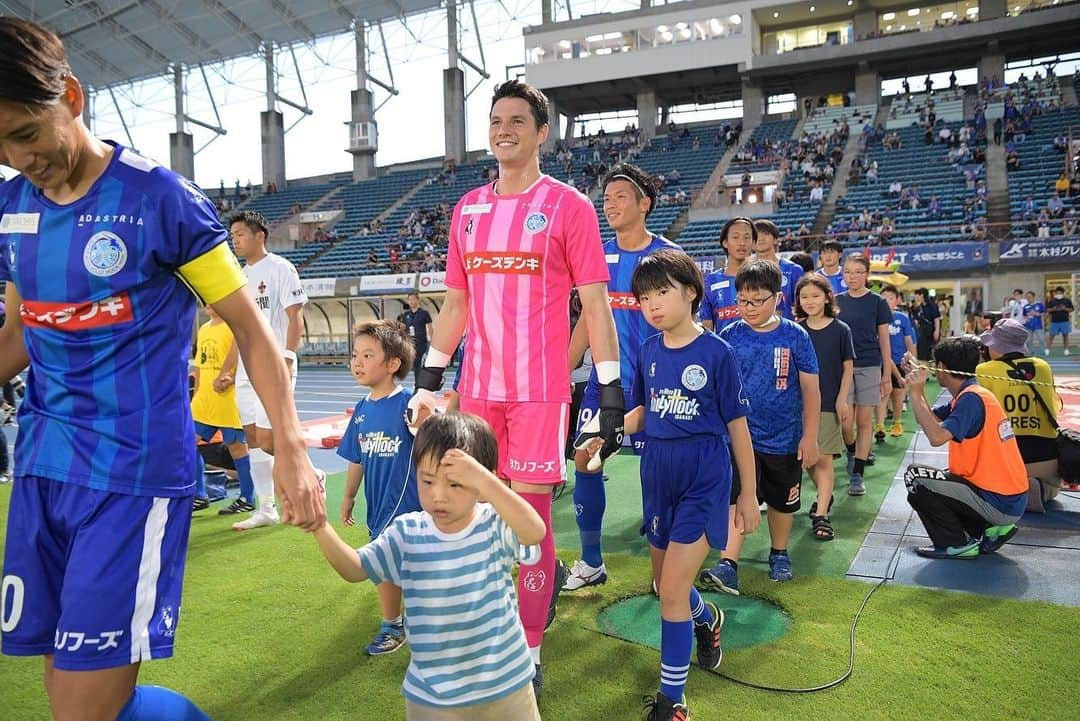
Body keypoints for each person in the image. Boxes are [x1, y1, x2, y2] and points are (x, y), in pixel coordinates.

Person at [0, 17, 324, 721]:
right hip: (42, 466)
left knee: (87, 707)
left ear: (74, 97)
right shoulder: (12, 207)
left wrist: (293, 447)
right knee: (67, 694)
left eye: (26, 132)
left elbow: (250, 328)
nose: (16, 156)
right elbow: (23, 330)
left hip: (131, 474)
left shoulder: (159, 199)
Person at [408, 79, 623, 695]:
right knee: (470, 511)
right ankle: (482, 625)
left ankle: (530, 645)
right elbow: (455, 305)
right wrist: (429, 380)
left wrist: (608, 390)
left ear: (541, 132)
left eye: (516, 121)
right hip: (478, 391)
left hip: (539, 392)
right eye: (496, 120)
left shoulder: (569, 208)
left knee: (530, 518)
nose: (503, 130)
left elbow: (596, 309)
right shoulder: (468, 209)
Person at [312, 412, 545, 721]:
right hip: (434, 697)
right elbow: (355, 569)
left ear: (482, 481)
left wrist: (488, 483)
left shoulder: (494, 524)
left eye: (456, 484)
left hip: (507, 685)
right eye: (427, 480)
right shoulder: (407, 533)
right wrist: (319, 526)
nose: (438, 495)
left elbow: (534, 531)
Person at [621, 250, 758, 721]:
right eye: (644, 297)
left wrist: (748, 494)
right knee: (665, 587)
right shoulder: (646, 351)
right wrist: (624, 422)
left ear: (691, 292)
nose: (653, 304)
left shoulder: (718, 352)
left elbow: (738, 427)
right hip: (657, 471)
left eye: (662, 292)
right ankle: (708, 620)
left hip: (705, 473)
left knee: (674, 590)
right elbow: (644, 410)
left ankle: (673, 701)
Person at [563, 163, 681, 591]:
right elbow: (587, 322)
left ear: (644, 204)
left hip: (656, 386)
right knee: (584, 459)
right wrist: (565, 367)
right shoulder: (596, 255)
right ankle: (592, 561)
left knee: (658, 476)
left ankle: (663, 574)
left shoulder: (668, 257)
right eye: (606, 198)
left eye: (620, 197)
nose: (609, 205)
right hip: (605, 382)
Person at [700, 260, 820, 590]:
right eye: (742, 301)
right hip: (739, 438)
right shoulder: (729, 336)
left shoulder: (795, 336)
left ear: (777, 298)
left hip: (784, 437)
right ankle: (728, 563)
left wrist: (810, 436)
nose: (749, 308)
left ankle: (779, 553)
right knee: (736, 496)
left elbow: (811, 387)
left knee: (783, 502)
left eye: (757, 301)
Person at [336, 320, 423, 656]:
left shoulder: (409, 405)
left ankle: (432, 621)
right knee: (384, 568)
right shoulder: (361, 410)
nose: (357, 362)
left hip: (413, 508)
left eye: (368, 355)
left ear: (392, 365)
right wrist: (347, 496)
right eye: (355, 354)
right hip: (378, 508)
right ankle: (392, 625)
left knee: (419, 567)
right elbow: (356, 457)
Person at [226, 209, 314, 531]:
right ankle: (266, 508)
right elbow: (239, 327)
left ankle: (308, 471)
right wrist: (228, 367)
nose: (235, 240)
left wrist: (289, 355)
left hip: (274, 363)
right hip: (245, 368)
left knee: (267, 438)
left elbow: (295, 315)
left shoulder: (280, 268)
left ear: (259, 235)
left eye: (240, 234)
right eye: (232, 235)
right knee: (251, 436)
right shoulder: (236, 275)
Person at [901, 338, 1027, 559]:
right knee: (933, 483)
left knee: (916, 478)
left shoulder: (970, 400)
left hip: (999, 501)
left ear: (941, 367)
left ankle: (957, 544)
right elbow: (929, 417)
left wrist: (915, 392)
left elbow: (936, 436)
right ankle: (991, 529)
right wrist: (917, 389)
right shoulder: (972, 393)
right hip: (1007, 498)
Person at [976, 319, 1064, 512]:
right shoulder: (1042, 366)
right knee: (1052, 487)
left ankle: (1009, 488)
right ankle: (1041, 489)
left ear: (996, 346)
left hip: (1006, 455)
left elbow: (979, 415)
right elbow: (1055, 405)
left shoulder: (984, 371)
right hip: (1046, 456)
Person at [794, 274, 854, 540]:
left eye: (815, 296)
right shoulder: (796, 329)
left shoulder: (841, 329)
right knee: (807, 459)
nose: (809, 301)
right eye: (804, 297)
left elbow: (847, 368)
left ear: (828, 297)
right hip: (798, 406)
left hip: (828, 403)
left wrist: (842, 399)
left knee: (824, 458)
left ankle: (821, 515)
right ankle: (824, 498)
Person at [836, 254, 893, 496]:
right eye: (848, 271)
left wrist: (887, 374)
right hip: (842, 367)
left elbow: (885, 339)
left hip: (870, 365)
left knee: (864, 421)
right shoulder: (835, 301)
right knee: (845, 421)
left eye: (858, 271)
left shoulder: (878, 302)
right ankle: (851, 450)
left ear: (866, 274)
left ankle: (858, 473)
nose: (853, 276)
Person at [190, 304, 255, 513]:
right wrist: (198, 393)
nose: (208, 304)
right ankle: (199, 495)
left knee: (237, 447)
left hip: (229, 395)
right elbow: (199, 366)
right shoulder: (203, 329)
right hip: (205, 399)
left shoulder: (234, 327)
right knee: (186, 442)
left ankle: (247, 498)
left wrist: (232, 378)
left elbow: (246, 360)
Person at [699, 217, 754, 332]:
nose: (742, 243)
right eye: (735, 237)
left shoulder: (766, 277)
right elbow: (707, 328)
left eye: (747, 237)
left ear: (753, 243)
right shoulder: (711, 281)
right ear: (725, 242)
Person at [878, 284, 916, 439]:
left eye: (891, 298)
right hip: (882, 363)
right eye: (884, 298)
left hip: (900, 363)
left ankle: (897, 423)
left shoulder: (903, 318)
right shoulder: (876, 318)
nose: (887, 301)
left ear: (897, 300)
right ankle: (879, 426)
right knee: (883, 395)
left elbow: (909, 341)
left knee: (898, 395)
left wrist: (913, 363)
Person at [753, 218, 804, 320]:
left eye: (766, 234)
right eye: (757, 235)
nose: (761, 238)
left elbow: (802, 306)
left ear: (776, 239)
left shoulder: (793, 270)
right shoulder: (744, 271)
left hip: (787, 331)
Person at [398, 291, 433, 379]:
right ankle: (418, 384)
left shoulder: (424, 313)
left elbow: (430, 328)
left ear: (418, 300)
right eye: (410, 300)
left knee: (422, 364)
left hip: (422, 343)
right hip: (412, 344)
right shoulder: (406, 315)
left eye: (413, 299)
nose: (411, 301)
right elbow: (402, 329)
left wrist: (432, 342)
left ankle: (421, 384)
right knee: (415, 366)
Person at [912, 288, 941, 361]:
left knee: (930, 352)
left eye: (916, 295)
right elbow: (916, 320)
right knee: (922, 353)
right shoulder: (919, 307)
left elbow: (936, 319)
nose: (915, 297)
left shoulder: (932, 305)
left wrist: (937, 331)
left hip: (931, 332)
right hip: (922, 333)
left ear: (921, 295)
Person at [1046, 287, 1074, 355]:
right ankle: (1047, 350)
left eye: (1060, 293)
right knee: (1051, 336)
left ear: (1063, 293)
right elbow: (1047, 310)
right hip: (1054, 321)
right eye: (1057, 293)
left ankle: (1066, 350)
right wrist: (1053, 309)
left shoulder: (1067, 300)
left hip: (1064, 321)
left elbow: (1072, 309)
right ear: (1055, 293)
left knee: (1065, 336)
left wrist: (1065, 308)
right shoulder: (1052, 301)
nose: (1059, 294)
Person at [1023, 290, 1046, 354]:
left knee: (1041, 339)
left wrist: (1038, 314)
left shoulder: (1039, 304)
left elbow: (1044, 313)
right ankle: (1030, 352)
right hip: (1028, 325)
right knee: (1028, 340)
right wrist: (1027, 316)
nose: (1028, 299)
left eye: (1030, 297)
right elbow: (1024, 316)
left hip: (1038, 325)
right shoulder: (1025, 306)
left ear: (1033, 297)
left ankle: (1043, 351)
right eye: (1027, 297)